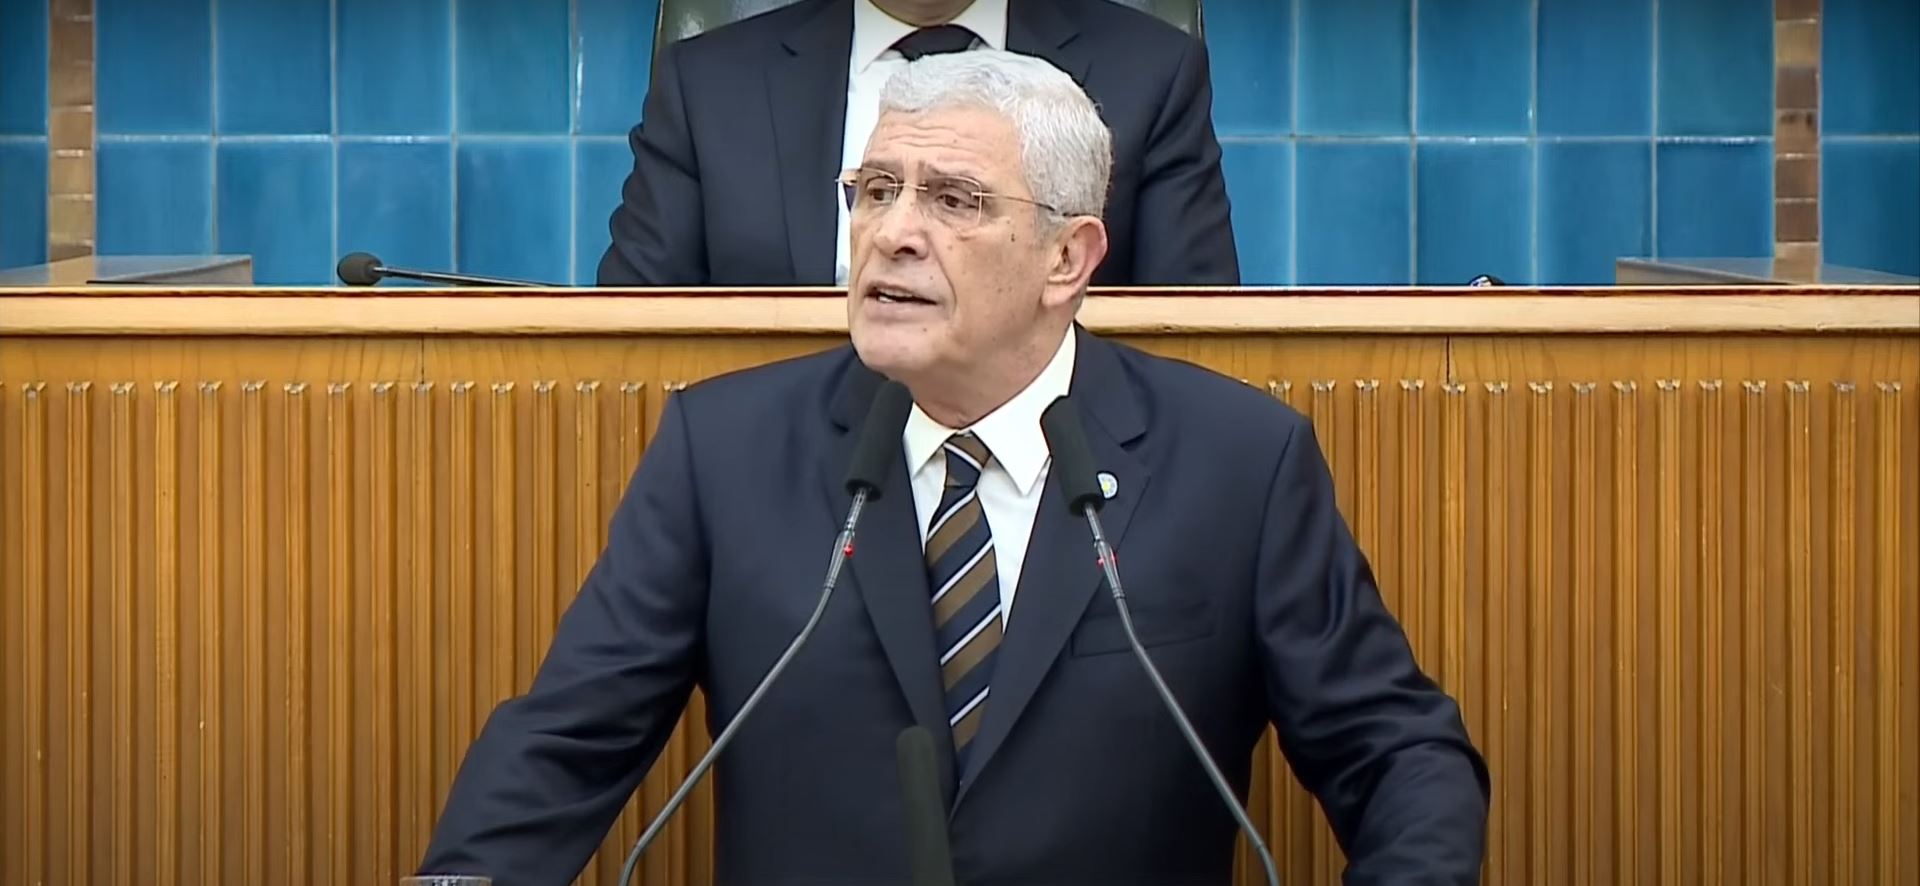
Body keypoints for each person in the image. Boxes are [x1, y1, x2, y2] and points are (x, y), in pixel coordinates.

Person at [423, 50, 1486, 886]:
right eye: (875, 190)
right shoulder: (725, 450)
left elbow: (1398, 754)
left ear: (1067, 258)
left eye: (955, 200)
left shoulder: (1237, 462)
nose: (893, 234)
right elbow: (564, 745)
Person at [594, 0, 1240, 288]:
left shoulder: (1151, 72)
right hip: (776, 466)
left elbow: (1192, 333)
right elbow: (629, 329)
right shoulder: (709, 84)